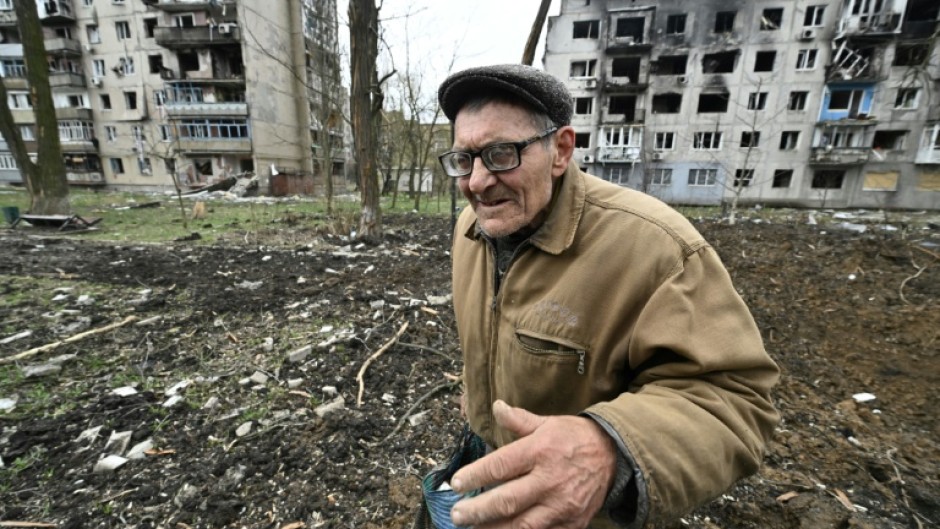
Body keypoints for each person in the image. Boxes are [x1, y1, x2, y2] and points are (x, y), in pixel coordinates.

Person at [436, 63, 780, 529]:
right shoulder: (471, 230)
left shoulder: (656, 248)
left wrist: (608, 449)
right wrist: (477, 395)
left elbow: (736, 403)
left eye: (500, 154)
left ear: (560, 150)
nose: (476, 182)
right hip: (488, 473)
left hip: (584, 513)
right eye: (464, 159)